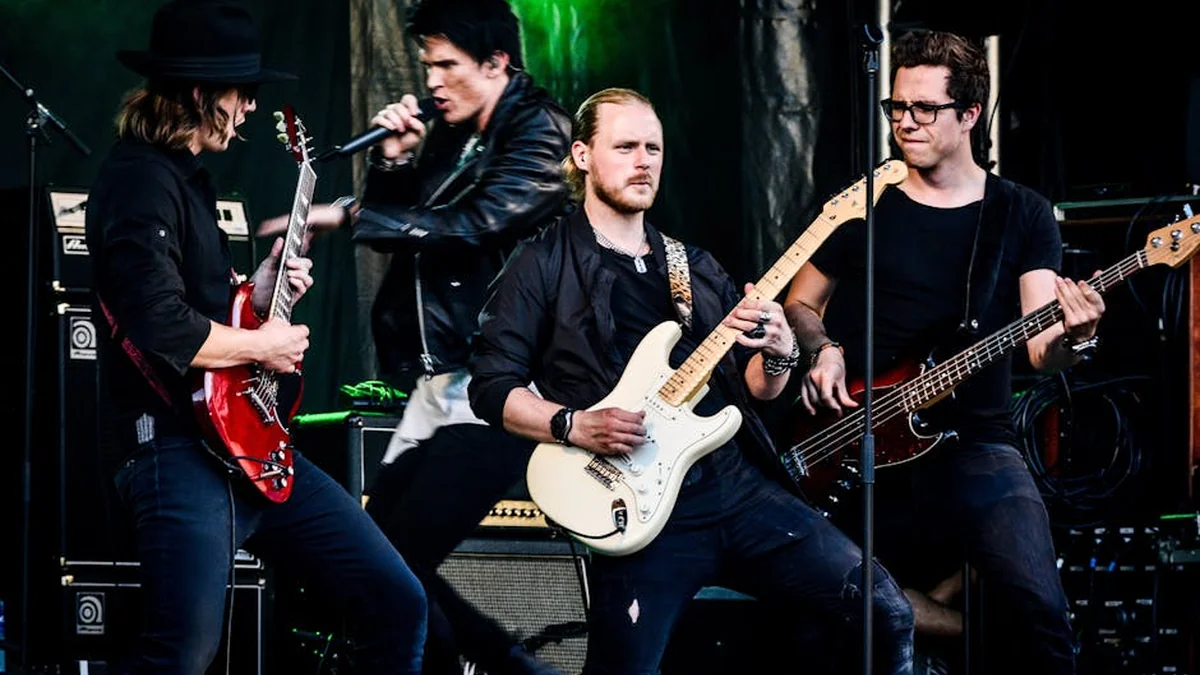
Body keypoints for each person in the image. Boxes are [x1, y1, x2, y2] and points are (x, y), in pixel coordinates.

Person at [468, 87, 915, 675]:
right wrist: (574, 425)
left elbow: (752, 392)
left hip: (732, 488)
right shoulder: (542, 262)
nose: (643, 161)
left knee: (884, 611)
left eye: (653, 148)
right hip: (635, 502)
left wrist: (780, 353)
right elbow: (492, 387)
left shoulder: (693, 267)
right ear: (582, 155)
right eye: (625, 147)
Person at [84, 1, 426, 672]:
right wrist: (266, 347)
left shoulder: (189, 182)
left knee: (395, 599)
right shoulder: (138, 180)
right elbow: (159, 323)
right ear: (200, 94)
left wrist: (262, 292)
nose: (248, 107)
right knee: (180, 655)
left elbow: (206, 309)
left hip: (248, 445)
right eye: (242, 93)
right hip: (175, 447)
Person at [259, 1, 571, 672]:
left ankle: (518, 668)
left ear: (497, 62)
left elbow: (476, 225)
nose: (431, 81)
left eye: (446, 65)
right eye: (427, 64)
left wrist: (349, 214)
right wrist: (396, 162)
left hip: (504, 383)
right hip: (442, 378)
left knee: (393, 562)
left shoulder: (541, 131)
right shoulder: (459, 132)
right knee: (383, 561)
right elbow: (415, 227)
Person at [783, 29, 1105, 675]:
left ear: (970, 114)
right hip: (857, 435)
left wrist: (1078, 335)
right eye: (897, 107)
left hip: (975, 444)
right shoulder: (866, 207)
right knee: (821, 607)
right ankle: (944, 622)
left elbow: (1040, 349)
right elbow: (800, 303)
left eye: (925, 109)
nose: (905, 122)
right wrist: (824, 350)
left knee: (1041, 613)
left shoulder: (1020, 213)